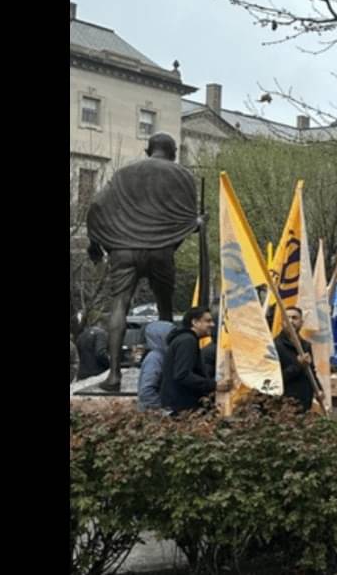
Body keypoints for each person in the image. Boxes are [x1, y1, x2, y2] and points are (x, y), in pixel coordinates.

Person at [87, 132, 200, 392]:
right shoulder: (182, 174)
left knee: (119, 305)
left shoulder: (123, 174)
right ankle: (168, 371)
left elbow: (95, 206)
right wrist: (198, 223)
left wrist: (95, 244)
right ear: (173, 153)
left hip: (123, 249)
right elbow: (189, 221)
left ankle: (113, 375)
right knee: (165, 309)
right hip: (161, 249)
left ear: (148, 151)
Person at [160, 306, 230, 415]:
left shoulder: (184, 339)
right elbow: (183, 375)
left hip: (179, 407)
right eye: (208, 321)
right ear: (195, 322)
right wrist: (213, 385)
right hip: (183, 409)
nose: (212, 324)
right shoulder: (188, 341)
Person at [275, 306, 316, 412]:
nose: (291, 321)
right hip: (284, 404)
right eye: (287, 318)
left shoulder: (306, 345)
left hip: (305, 402)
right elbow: (276, 378)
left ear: (301, 322)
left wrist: (318, 389)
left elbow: (311, 371)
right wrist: (297, 365)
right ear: (281, 323)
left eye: (294, 318)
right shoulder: (275, 346)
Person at [136, 321, 175, 412]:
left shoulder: (165, 355)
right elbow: (146, 391)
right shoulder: (155, 358)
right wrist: (163, 409)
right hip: (155, 414)